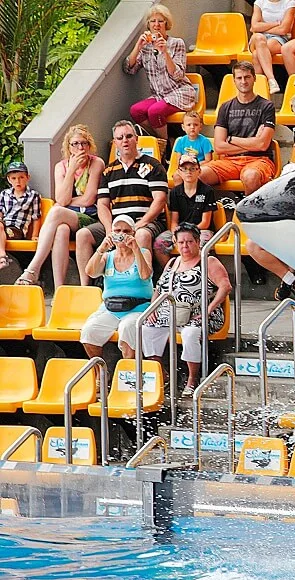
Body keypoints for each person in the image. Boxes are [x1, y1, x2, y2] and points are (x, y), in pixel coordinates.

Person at [142, 226, 232, 397]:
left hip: (201, 313)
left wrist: (208, 309)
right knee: (147, 328)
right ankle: (161, 373)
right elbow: (158, 289)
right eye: (181, 242)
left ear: (198, 242)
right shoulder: (172, 262)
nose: (185, 246)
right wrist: (152, 308)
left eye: (189, 242)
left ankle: (192, 379)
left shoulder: (208, 261)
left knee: (190, 333)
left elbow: (225, 287)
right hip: (171, 313)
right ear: (175, 243)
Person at [76, 120, 168, 287]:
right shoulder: (108, 171)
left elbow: (160, 199)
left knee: (141, 235)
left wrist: (142, 223)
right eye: (120, 138)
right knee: (82, 235)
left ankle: (141, 285)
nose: (124, 140)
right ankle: (86, 288)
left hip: (147, 222)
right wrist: (109, 228)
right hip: (118, 224)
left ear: (136, 139)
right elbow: (102, 204)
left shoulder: (153, 165)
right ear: (115, 142)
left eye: (128, 136)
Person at [16, 125, 105, 288]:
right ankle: (59, 289)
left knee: (56, 210)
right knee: (61, 230)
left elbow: (88, 199)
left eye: (84, 143)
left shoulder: (96, 163)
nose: (80, 148)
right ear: (68, 147)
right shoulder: (61, 167)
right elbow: (62, 199)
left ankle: (33, 268)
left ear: (89, 145)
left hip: (90, 217)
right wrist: (71, 170)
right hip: (67, 219)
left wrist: (66, 201)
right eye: (75, 144)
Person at [79, 215, 154, 360]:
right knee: (89, 331)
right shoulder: (108, 256)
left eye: (126, 231)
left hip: (138, 307)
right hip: (111, 308)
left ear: (133, 233)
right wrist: (101, 249)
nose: (121, 235)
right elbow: (90, 272)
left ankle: (129, 375)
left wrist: (135, 248)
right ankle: (100, 373)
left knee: (127, 329)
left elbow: (145, 275)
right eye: (117, 231)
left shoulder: (144, 252)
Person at [200, 62, 277, 195]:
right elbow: (219, 146)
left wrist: (231, 139)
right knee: (197, 175)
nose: (243, 81)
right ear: (234, 81)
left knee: (251, 176)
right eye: (239, 78)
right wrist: (253, 143)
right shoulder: (225, 107)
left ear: (254, 78)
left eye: (247, 77)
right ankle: (208, 213)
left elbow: (263, 145)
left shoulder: (267, 106)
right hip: (228, 161)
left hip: (259, 160)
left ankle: (246, 214)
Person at [123, 4, 196, 141]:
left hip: (179, 91)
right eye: (153, 21)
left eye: (160, 21)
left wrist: (165, 52)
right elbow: (129, 69)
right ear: (148, 25)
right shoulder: (145, 47)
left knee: (155, 111)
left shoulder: (176, 43)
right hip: (158, 95)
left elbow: (178, 75)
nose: (156, 25)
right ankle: (159, 142)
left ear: (166, 24)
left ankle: (164, 150)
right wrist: (138, 47)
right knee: (136, 111)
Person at [153, 154, 216, 267]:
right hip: (180, 230)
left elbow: (205, 223)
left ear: (199, 171)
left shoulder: (207, 191)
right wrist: (175, 233)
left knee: (200, 244)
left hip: (201, 230)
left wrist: (187, 232)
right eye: (184, 169)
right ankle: (172, 275)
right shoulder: (175, 192)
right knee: (159, 244)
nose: (189, 172)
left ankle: (196, 276)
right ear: (179, 172)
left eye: (192, 169)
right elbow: (174, 220)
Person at [248, 0, 295, 94]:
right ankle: (272, 79)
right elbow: (254, 27)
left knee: (256, 54)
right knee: (259, 38)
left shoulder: (290, 2)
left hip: (279, 38)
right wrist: (277, 23)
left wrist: (263, 28)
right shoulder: (259, 2)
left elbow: (284, 29)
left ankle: (259, 93)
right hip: (258, 38)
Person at [0, 161, 41, 271]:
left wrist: (34, 235)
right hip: (3, 225)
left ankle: (2, 257)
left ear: (27, 177)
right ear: (9, 179)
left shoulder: (33, 196)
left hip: (16, 229)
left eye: (21, 177)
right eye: (13, 178)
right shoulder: (4, 194)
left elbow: (36, 217)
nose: (17, 181)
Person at [170, 111, 214, 185]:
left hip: (199, 168)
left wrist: (193, 165)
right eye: (189, 125)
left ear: (200, 126)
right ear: (183, 127)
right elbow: (178, 161)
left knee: (195, 176)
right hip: (184, 168)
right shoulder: (180, 141)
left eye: (195, 125)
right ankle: (180, 195)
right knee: (177, 176)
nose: (192, 127)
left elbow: (208, 160)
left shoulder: (205, 141)